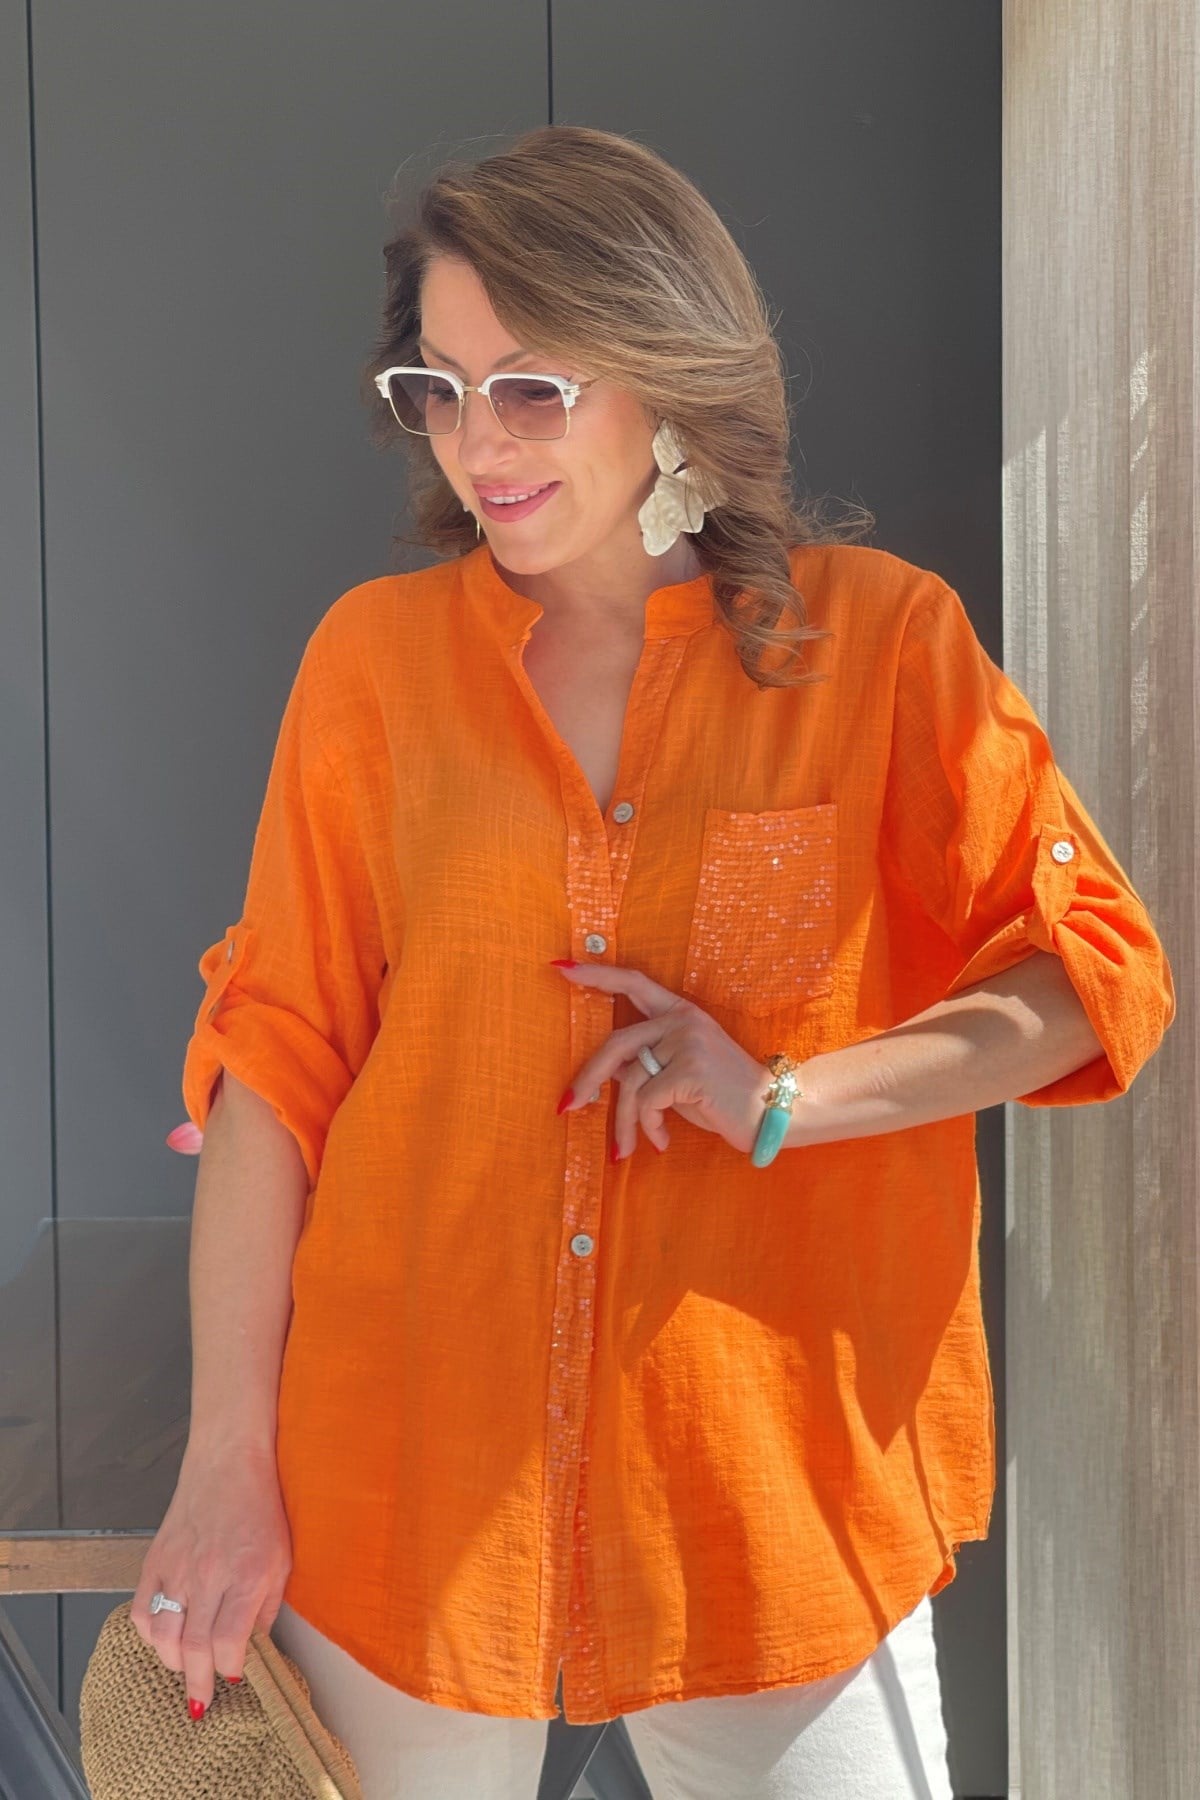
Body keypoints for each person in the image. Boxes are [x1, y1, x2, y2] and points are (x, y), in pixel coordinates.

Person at [137, 125, 1175, 1799]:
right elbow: (275, 1062)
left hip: (765, 1496)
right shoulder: (373, 670)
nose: (480, 440)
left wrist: (783, 1095)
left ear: (666, 368)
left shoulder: (876, 648)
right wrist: (223, 1465)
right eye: (440, 388)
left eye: (533, 389)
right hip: (406, 1480)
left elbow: (1093, 971)